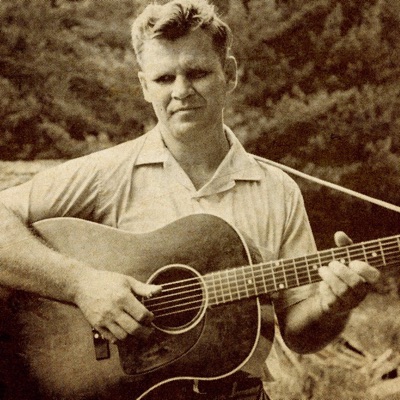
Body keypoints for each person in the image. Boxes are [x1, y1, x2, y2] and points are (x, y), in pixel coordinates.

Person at [0, 0, 380, 399]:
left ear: (229, 74)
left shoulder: (277, 189)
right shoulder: (108, 173)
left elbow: (299, 334)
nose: (181, 91)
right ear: (145, 86)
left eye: (197, 73)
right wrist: (82, 284)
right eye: (164, 78)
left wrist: (333, 307)